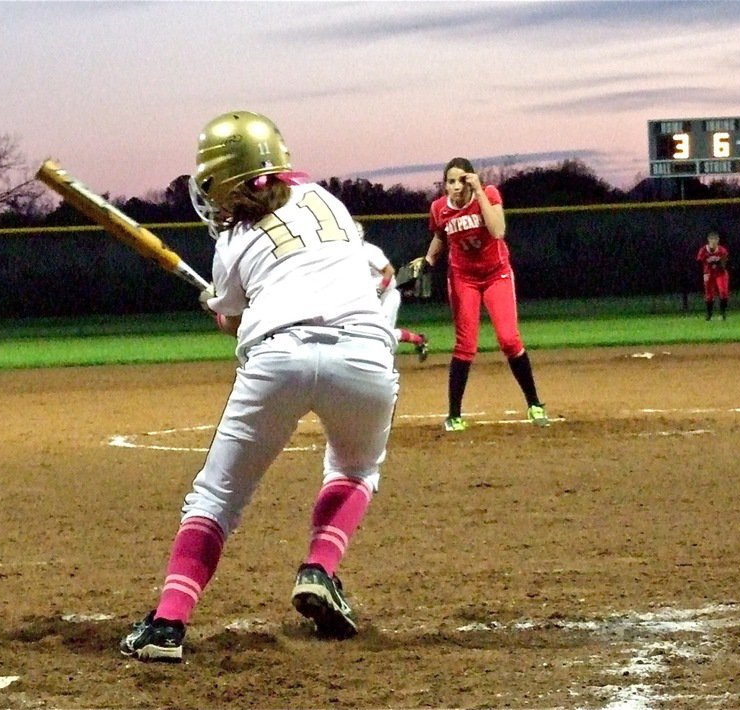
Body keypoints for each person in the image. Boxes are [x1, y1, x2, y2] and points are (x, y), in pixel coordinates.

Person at [119, 110, 399, 663]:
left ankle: (168, 625)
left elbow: (233, 318)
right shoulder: (328, 200)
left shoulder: (232, 238)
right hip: (365, 356)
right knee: (355, 471)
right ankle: (320, 568)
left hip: (278, 359)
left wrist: (219, 307)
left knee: (216, 497)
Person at [411, 157, 548, 432]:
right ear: (445, 185)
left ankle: (534, 404)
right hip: (463, 278)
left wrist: (480, 192)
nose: (456, 186)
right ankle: (454, 416)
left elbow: (498, 230)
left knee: (509, 339)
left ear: (472, 180)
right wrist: (427, 261)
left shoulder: (489, 194)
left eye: (462, 180)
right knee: (465, 344)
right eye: (451, 181)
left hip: (496, 274)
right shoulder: (439, 208)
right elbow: (440, 236)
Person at [356, 222, 429, 361]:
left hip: (387, 295)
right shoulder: (347, 255)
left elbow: (389, 271)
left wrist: (379, 290)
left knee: (383, 331)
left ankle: (385, 361)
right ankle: (419, 340)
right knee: (368, 330)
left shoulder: (370, 251)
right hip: (370, 299)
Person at [696, 230, 730, 321]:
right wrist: (705, 273)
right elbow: (699, 262)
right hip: (708, 273)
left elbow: (724, 264)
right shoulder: (703, 250)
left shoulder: (722, 250)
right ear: (708, 240)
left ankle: (722, 313)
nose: (713, 241)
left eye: (715, 239)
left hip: (720, 273)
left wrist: (719, 263)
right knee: (709, 294)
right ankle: (709, 314)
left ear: (718, 240)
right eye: (711, 239)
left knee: (723, 292)